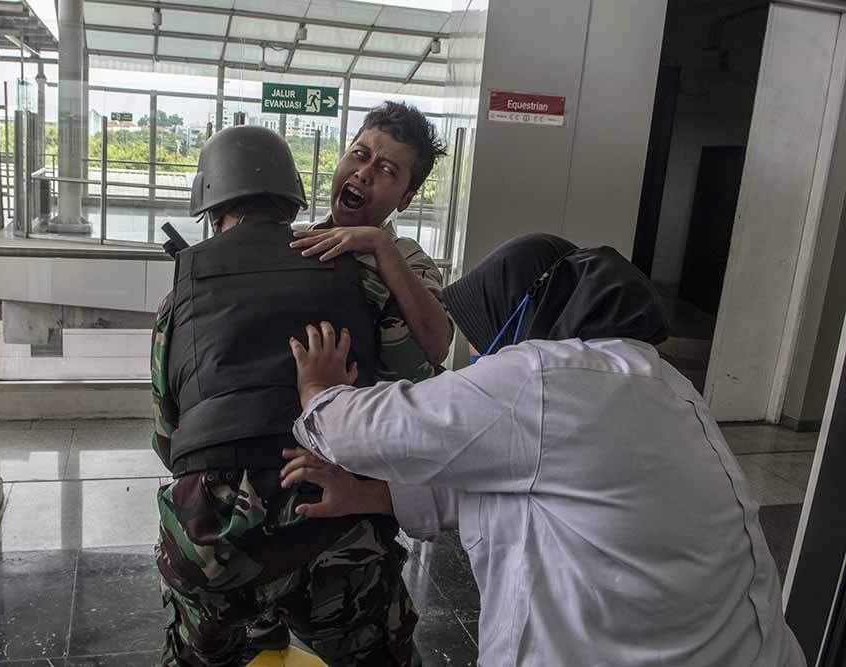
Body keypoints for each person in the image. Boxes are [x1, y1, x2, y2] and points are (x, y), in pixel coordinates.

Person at [281, 234, 807, 666]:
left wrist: (321, 394)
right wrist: (372, 496)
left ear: (525, 315)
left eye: (485, 331)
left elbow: (367, 432)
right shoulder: (654, 379)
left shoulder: (546, 374)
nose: (479, 351)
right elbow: (523, 486)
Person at [150, 126, 421, 667]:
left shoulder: (178, 298)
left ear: (209, 206)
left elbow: (169, 437)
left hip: (215, 535)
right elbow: (415, 381)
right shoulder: (360, 276)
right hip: (336, 512)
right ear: (292, 199)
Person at [291, 102, 452, 379]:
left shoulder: (409, 258)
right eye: (359, 154)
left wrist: (380, 245)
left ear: (406, 199)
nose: (364, 173)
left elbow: (438, 347)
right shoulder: (297, 238)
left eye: (387, 170)